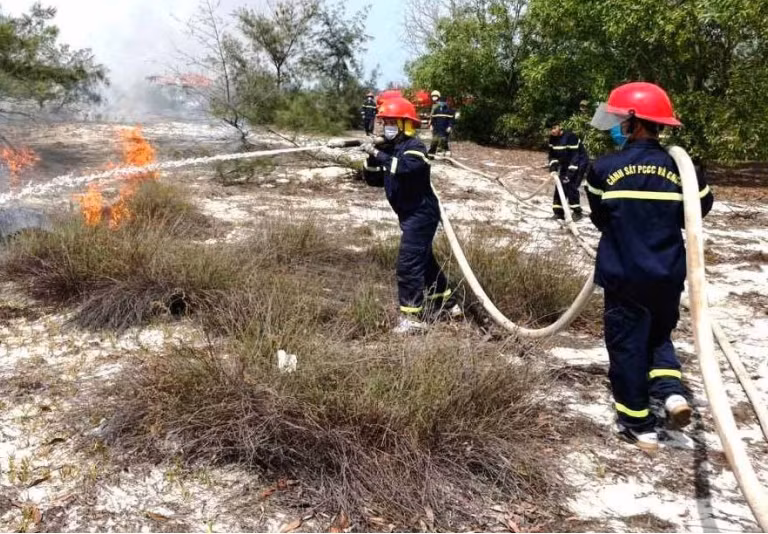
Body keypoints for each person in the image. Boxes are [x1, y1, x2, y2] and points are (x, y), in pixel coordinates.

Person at [585, 82, 714, 453]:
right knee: (659, 336)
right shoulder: (683, 168)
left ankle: (638, 423)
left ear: (631, 121)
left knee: (627, 346)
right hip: (666, 275)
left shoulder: (604, 168)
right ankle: (671, 394)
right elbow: (699, 211)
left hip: (624, 275)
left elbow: (599, 218)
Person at [359, 96, 459, 333]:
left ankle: (413, 319)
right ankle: (448, 304)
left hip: (421, 215)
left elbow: (404, 169)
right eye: (385, 122)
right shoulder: (391, 149)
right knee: (424, 261)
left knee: (409, 263)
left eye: (392, 122)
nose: (387, 127)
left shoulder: (415, 148)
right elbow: (373, 179)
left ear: (406, 124)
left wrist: (378, 153)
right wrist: (371, 157)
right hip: (408, 215)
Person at [548, 120, 589, 220]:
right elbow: (552, 155)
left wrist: (570, 174)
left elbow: (575, 156)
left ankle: (577, 212)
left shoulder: (571, 137)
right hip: (565, 164)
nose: (552, 131)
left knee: (571, 185)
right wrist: (553, 167)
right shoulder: (552, 139)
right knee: (560, 185)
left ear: (560, 127)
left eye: (554, 128)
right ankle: (558, 212)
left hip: (579, 163)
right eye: (550, 129)